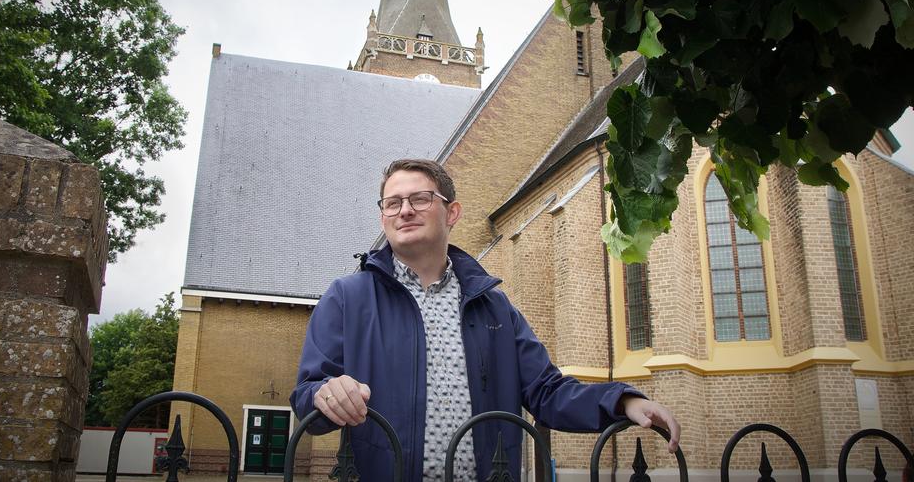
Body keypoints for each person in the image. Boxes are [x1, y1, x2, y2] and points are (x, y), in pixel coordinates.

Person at [291, 158, 680, 481]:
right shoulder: (347, 297)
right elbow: (307, 397)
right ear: (383, 219)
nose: (404, 210)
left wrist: (623, 400)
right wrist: (326, 394)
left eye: (420, 198)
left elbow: (547, 392)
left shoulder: (493, 307)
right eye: (392, 203)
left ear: (452, 212)